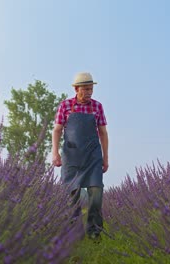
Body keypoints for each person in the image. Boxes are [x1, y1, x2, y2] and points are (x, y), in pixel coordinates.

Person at [52, 72, 109, 240]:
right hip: (72, 156)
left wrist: (106, 158)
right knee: (71, 195)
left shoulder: (97, 107)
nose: (89, 92)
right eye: (86, 89)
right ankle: (73, 233)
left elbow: (103, 133)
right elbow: (57, 130)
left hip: (93, 156)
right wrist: (55, 152)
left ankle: (94, 233)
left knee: (96, 192)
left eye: (91, 89)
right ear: (77, 89)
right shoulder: (66, 106)